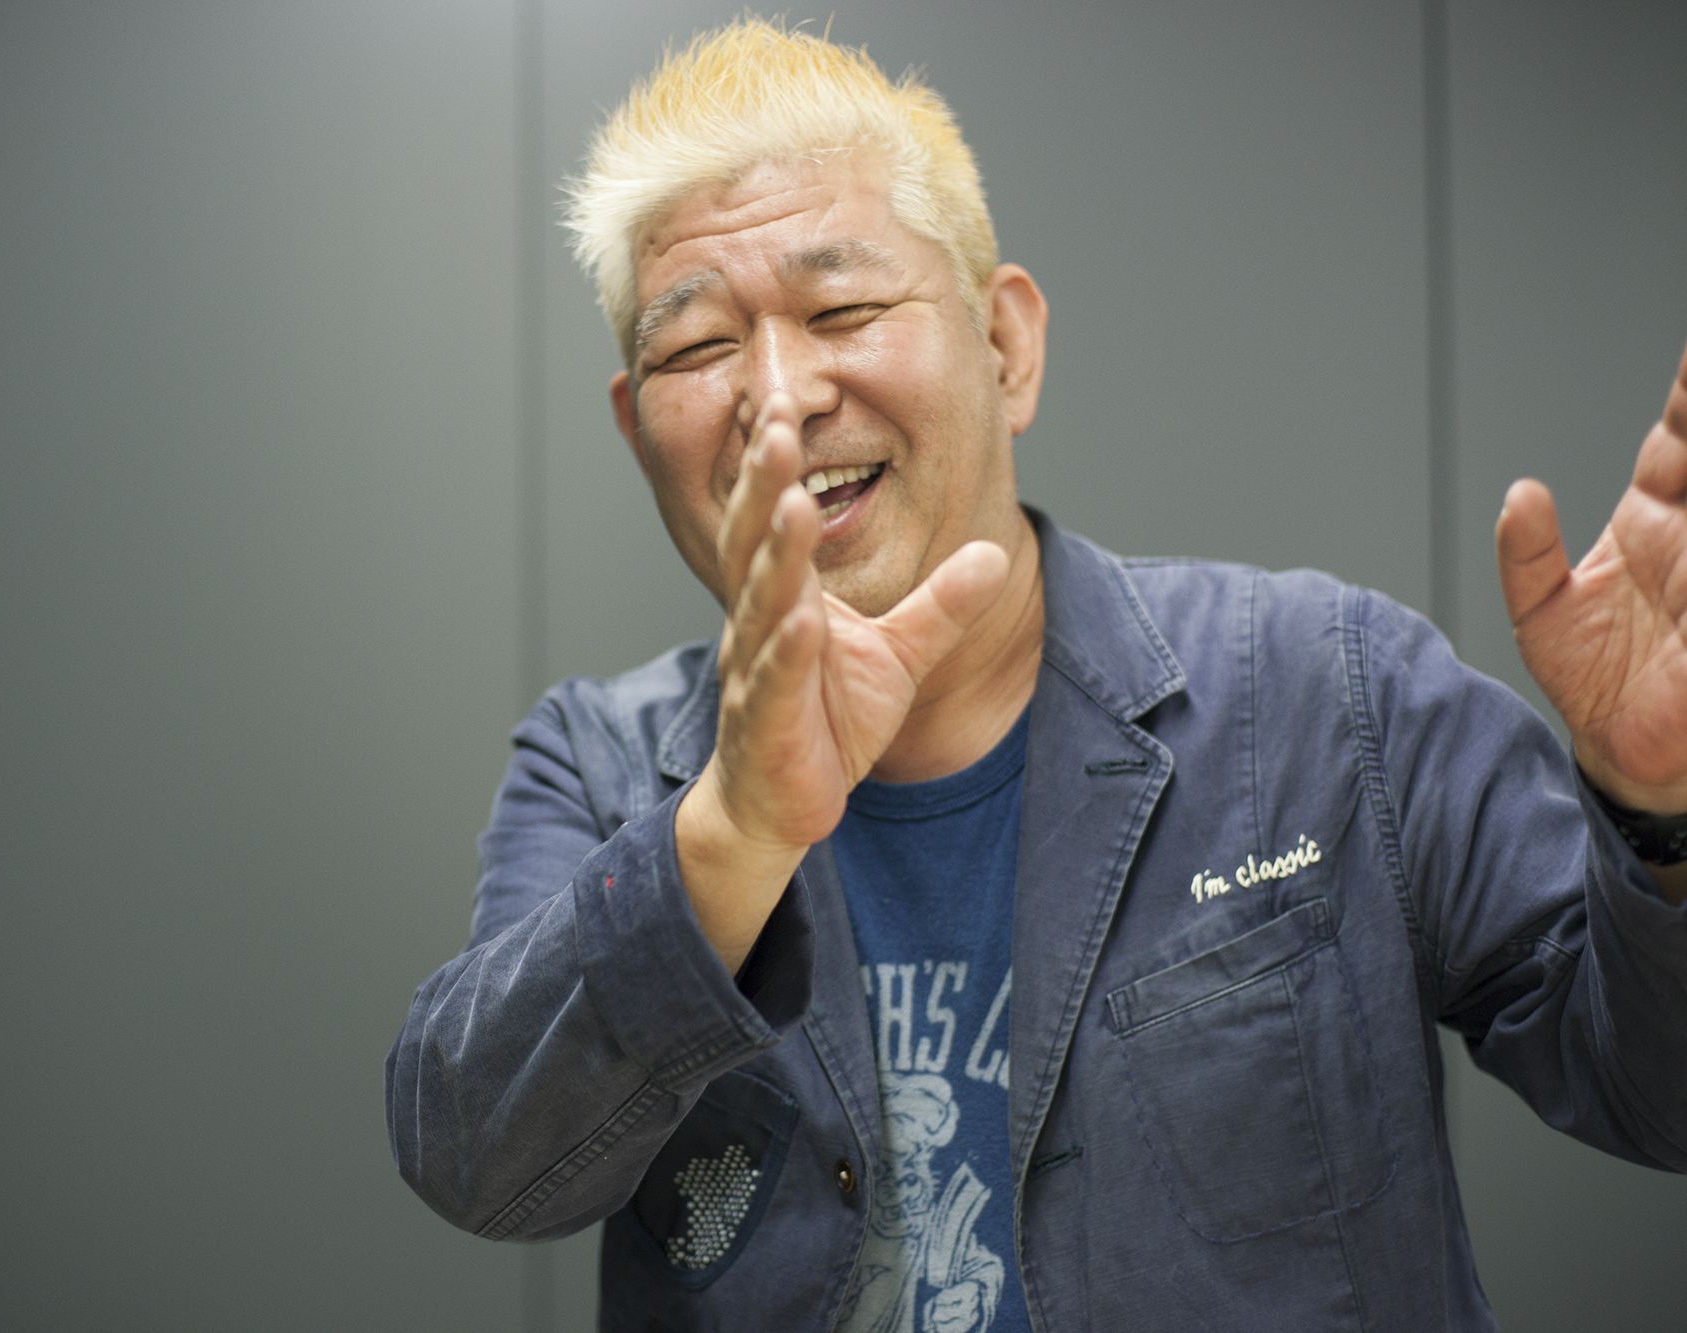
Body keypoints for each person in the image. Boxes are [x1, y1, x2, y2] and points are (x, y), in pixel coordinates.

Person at [386, 19, 1687, 1331]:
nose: (776, 396)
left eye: (842, 310)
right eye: (696, 349)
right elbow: (476, 1156)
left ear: (1005, 347)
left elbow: (1660, 1091)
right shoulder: (603, 766)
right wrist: (733, 832)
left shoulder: (1327, 697)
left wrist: (1661, 808)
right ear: (637, 430)